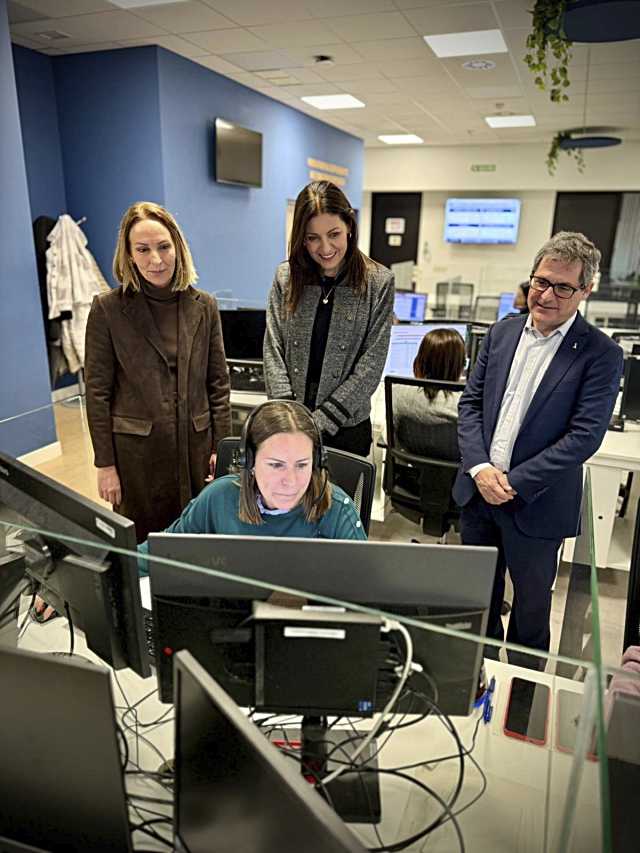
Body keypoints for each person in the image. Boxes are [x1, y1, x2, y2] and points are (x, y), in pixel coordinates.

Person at [453, 231, 623, 666]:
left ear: (585, 291)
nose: (546, 295)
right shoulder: (501, 333)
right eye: (540, 282)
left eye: (562, 287)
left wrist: (512, 481)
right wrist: (479, 469)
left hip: (535, 504)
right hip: (478, 495)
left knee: (529, 619)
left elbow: (584, 436)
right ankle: (475, 693)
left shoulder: (600, 354)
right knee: (476, 607)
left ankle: (520, 716)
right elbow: (470, 403)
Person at [85, 201, 231, 544]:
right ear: (129, 254)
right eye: (143, 249)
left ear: (177, 247)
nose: (156, 259)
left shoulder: (204, 306)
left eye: (164, 247)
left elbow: (218, 383)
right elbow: (97, 392)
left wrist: (220, 449)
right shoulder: (107, 309)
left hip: (196, 451)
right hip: (137, 458)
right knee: (143, 548)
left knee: (199, 539)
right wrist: (105, 465)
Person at [138, 400, 366, 575]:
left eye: (302, 465)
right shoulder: (219, 498)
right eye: (276, 465)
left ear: (316, 463)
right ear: (249, 462)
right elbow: (156, 556)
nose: (291, 480)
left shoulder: (337, 510)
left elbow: (367, 591)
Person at [264, 181, 394, 459]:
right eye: (312, 238)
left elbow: (370, 365)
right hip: (288, 428)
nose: (325, 248)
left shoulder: (378, 282)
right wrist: (290, 419)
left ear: (349, 225)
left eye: (334, 234)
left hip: (346, 430)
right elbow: (273, 349)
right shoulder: (285, 278)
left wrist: (319, 423)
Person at [392, 328, 466, 460]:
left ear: (420, 360)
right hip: (453, 478)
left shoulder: (397, 393)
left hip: (408, 476)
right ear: (459, 366)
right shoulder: (464, 405)